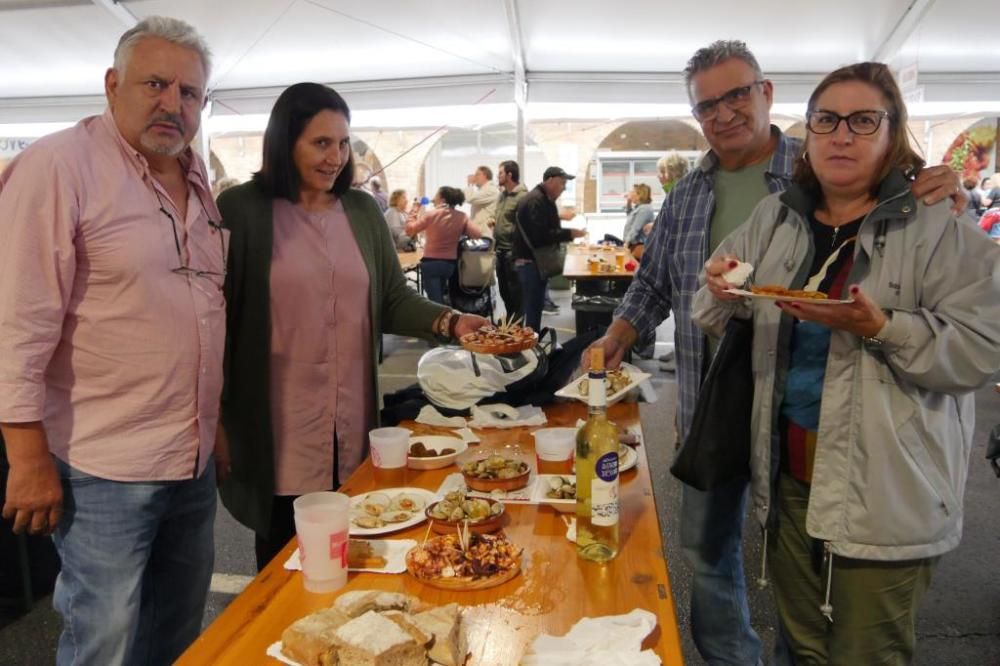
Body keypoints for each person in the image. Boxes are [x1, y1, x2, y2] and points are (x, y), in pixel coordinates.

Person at [583, 41, 964, 666]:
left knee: (805, 567)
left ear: (766, 93)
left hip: (805, 412)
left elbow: (918, 221)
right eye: (707, 104)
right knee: (706, 551)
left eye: (736, 94)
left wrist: (941, 188)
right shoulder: (687, 192)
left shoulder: (826, 164)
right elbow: (652, 284)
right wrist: (616, 337)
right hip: (710, 402)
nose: (723, 113)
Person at [695, 61, 1000, 663]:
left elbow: (980, 349)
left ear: (892, 133)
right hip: (787, 477)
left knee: (865, 654)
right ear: (808, 131)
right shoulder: (777, 216)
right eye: (826, 119)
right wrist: (719, 288)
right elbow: (712, 299)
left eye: (863, 121)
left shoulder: (938, 224)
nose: (841, 135)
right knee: (803, 647)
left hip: (885, 489)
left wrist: (883, 328)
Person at [0, 17, 223, 664]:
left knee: (177, 630)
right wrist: (25, 455)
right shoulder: (58, 167)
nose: (172, 104)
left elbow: (204, 306)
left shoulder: (194, 175)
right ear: (111, 84)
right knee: (103, 639)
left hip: (193, 458)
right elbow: (18, 321)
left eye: (189, 94)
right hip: (104, 468)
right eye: (156, 83)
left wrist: (219, 425)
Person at [215, 83, 487, 571]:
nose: (336, 157)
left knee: (360, 552)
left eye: (343, 144)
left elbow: (390, 298)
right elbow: (214, 320)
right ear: (284, 142)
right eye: (321, 143)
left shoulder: (360, 211)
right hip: (279, 429)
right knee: (286, 566)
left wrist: (451, 321)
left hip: (352, 423)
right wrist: (214, 420)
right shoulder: (241, 210)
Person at [513, 166, 587, 330]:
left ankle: (532, 344)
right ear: (550, 180)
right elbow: (540, 236)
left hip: (534, 262)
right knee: (532, 309)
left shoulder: (543, 199)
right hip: (530, 263)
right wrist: (570, 234)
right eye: (562, 183)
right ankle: (531, 348)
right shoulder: (536, 200)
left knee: (535, 308)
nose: (563, 188)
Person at [405, 185, 482, 305]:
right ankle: (446, 318)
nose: (434, 198)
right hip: (449, 265)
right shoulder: (462, 217)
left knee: (435, 302)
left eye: (436, 195)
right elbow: (477, 234)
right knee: (441, 297)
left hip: (431, 263)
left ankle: (441, 321)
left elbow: (410, 229)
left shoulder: (431, 215)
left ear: (443, 199)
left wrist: (415, 209)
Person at [492, 160, 528, 318]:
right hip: (500, 251)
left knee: (517, 295)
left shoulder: (523, 197)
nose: (497, 176)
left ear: (509, 174)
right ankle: (511, 325)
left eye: (500, 173)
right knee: (504, 293)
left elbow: (526, 225)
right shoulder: (502, 195)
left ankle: (518, 330)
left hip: (513, 253)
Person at [623, 182, 656, 259]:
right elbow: (630, 216)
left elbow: (635, 228)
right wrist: (628, 203)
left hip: (638, 246)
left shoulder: (644, 209)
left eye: (633, 192)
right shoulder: (639, 208)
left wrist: (626, 244)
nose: (630, 194)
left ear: (639, 195)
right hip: (632, 245)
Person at [464, 165, 499, 236]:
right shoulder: (483, 190)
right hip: (479, 231)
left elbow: (470, 198)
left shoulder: (491, 190)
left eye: (477, 174)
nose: (474, 177)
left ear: (485, 176)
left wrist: (470, 184)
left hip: (485, 233)